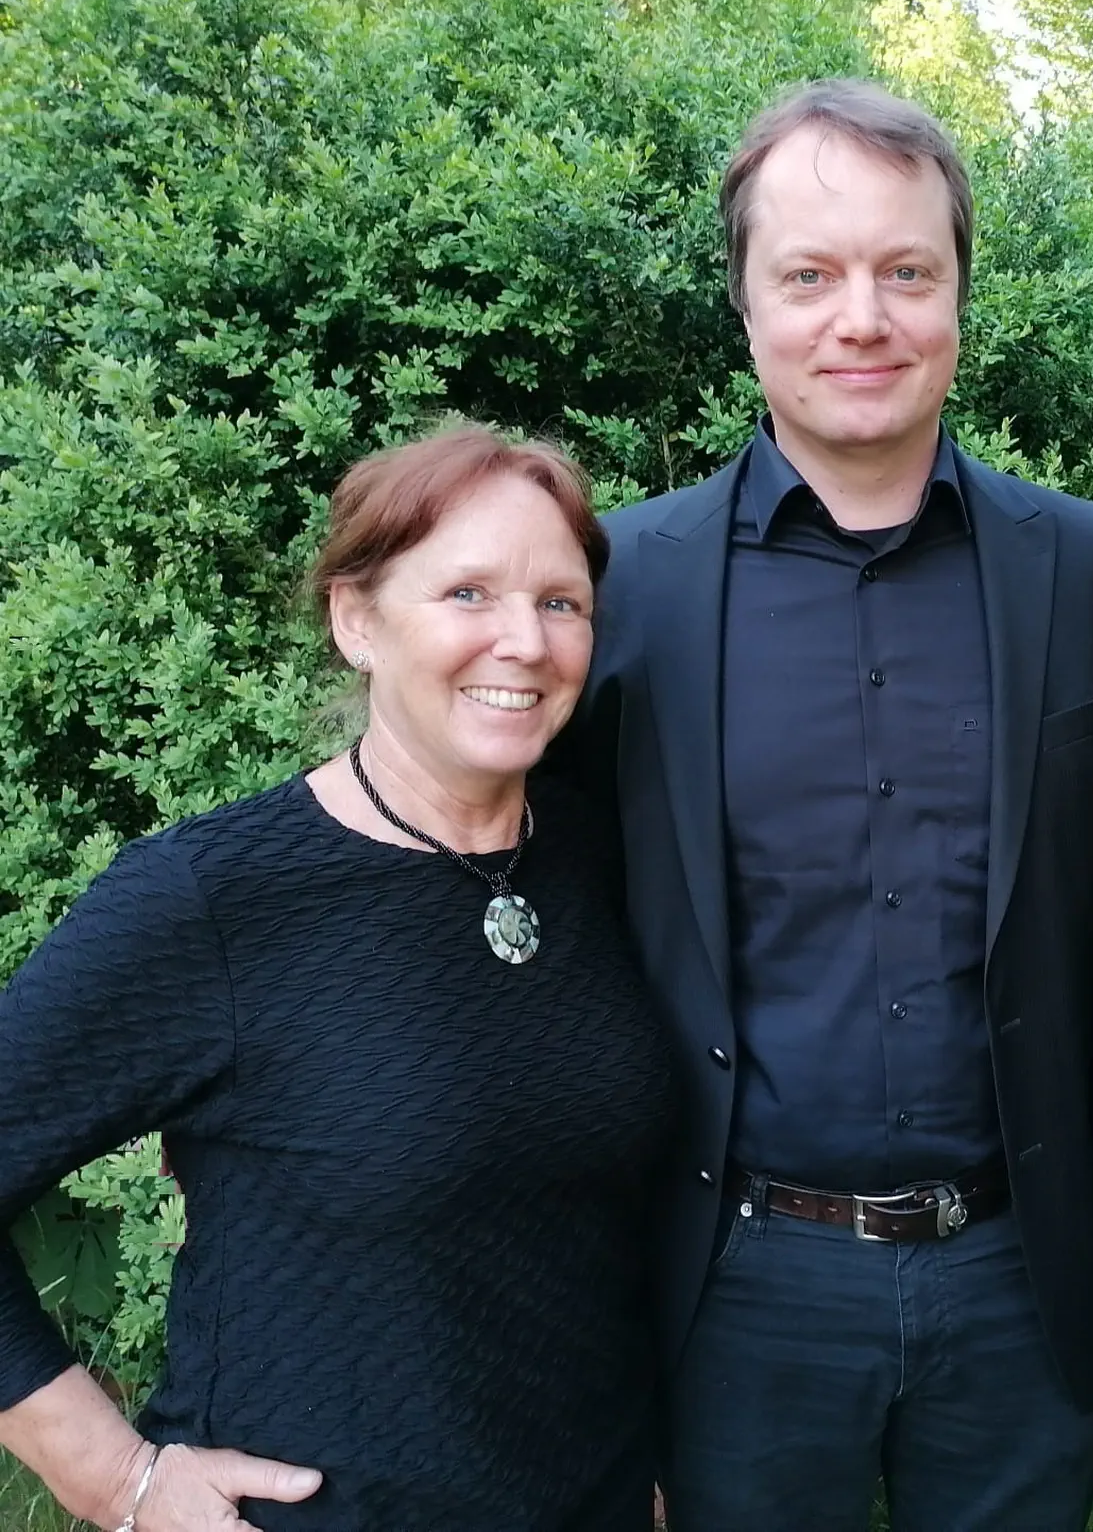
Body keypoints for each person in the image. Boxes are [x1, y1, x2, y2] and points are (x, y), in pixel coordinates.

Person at [555, 79, 1093, 1531]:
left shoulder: (1083, 564)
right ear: (744, 302)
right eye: (810, 275)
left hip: (1022, 1273)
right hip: (733, 1282)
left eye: (907, 270)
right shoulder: (624, 582)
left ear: (959, 294)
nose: (863, 318)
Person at [0, 426, 674, 1531]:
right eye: (467, 592)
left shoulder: (603, 858)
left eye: (561, 602)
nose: (524, 641)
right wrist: (117, 1479)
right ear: (357, 620)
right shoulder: (214, 901)